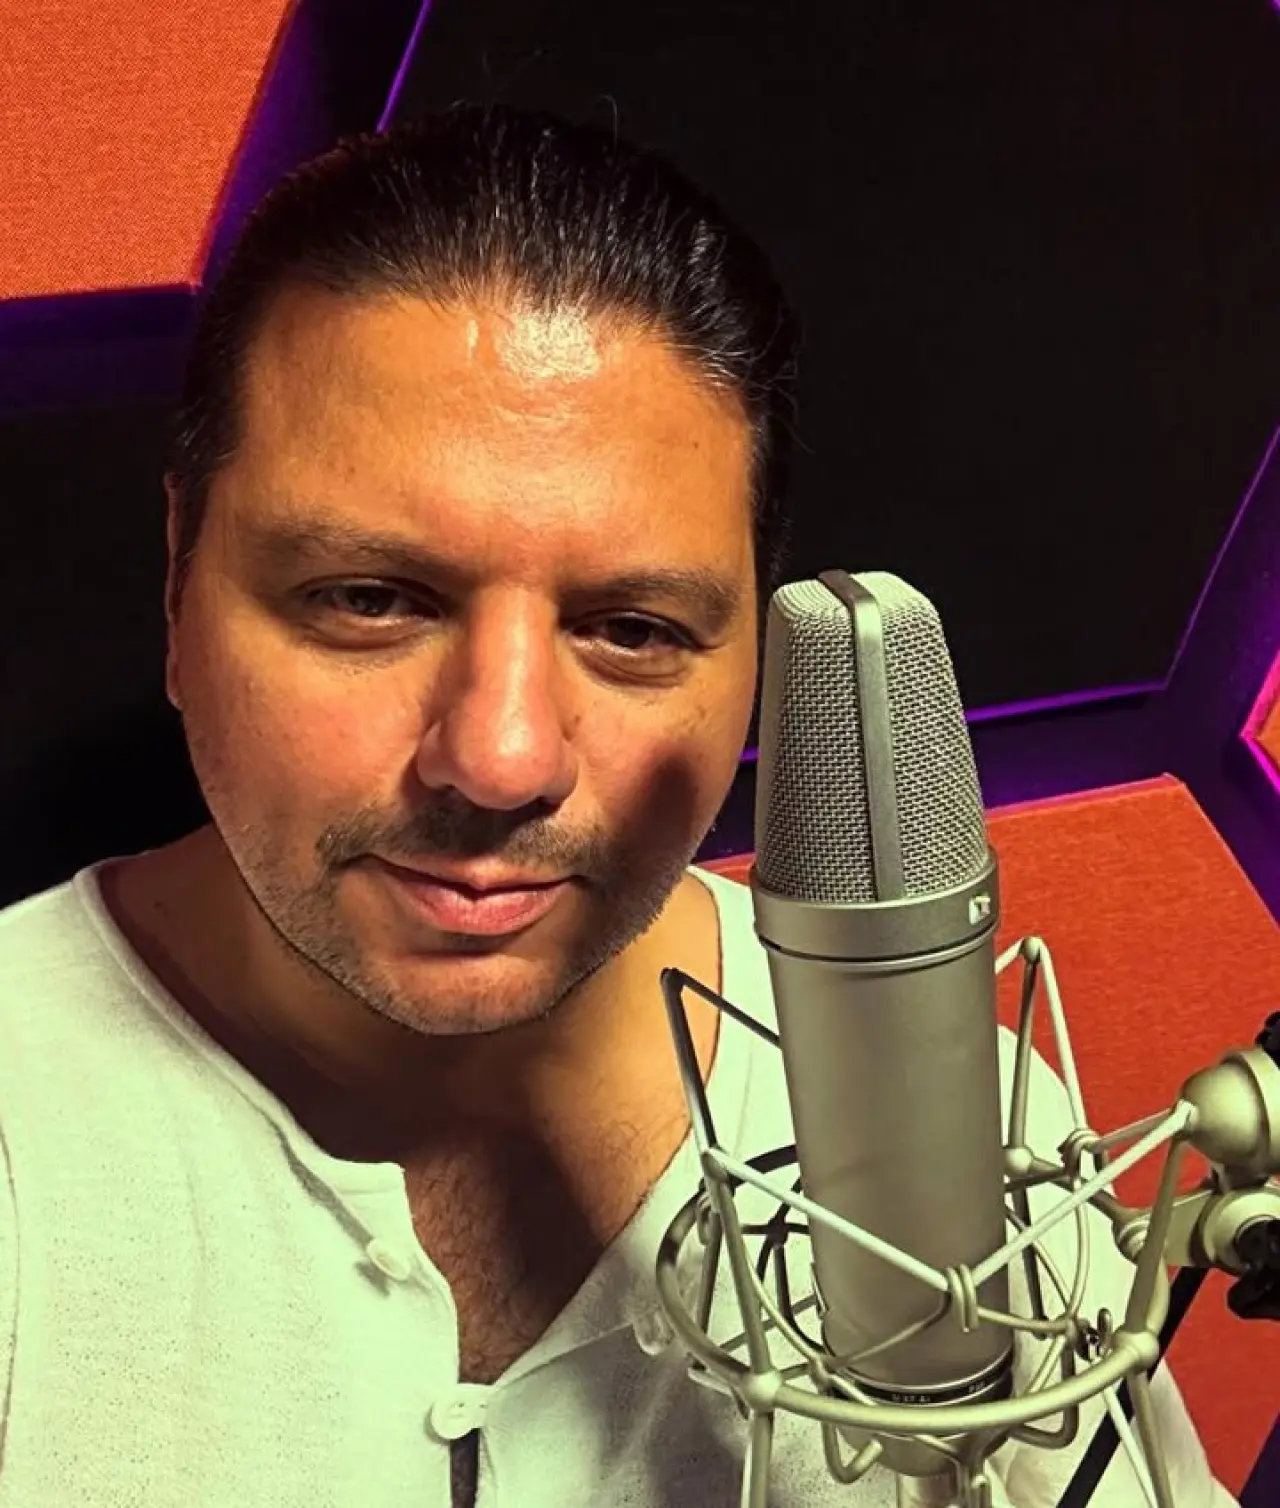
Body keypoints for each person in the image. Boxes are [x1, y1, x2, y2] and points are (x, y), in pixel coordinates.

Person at [0, 104, 1237, 1508]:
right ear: (181, 578)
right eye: (370, 600)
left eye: (633, 630)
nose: (501, 757)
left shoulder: (961, 1126)